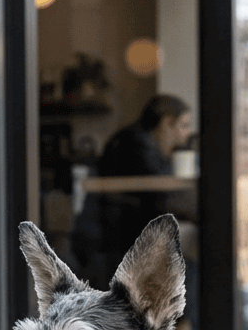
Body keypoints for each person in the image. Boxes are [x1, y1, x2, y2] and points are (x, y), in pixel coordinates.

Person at [71, 94, 193, 290]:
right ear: (166, 123)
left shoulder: (135, 140)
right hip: (112, 245)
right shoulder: (135, 144)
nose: (186, 134)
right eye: (184, 125)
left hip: (115, 242)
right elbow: (161, 195)